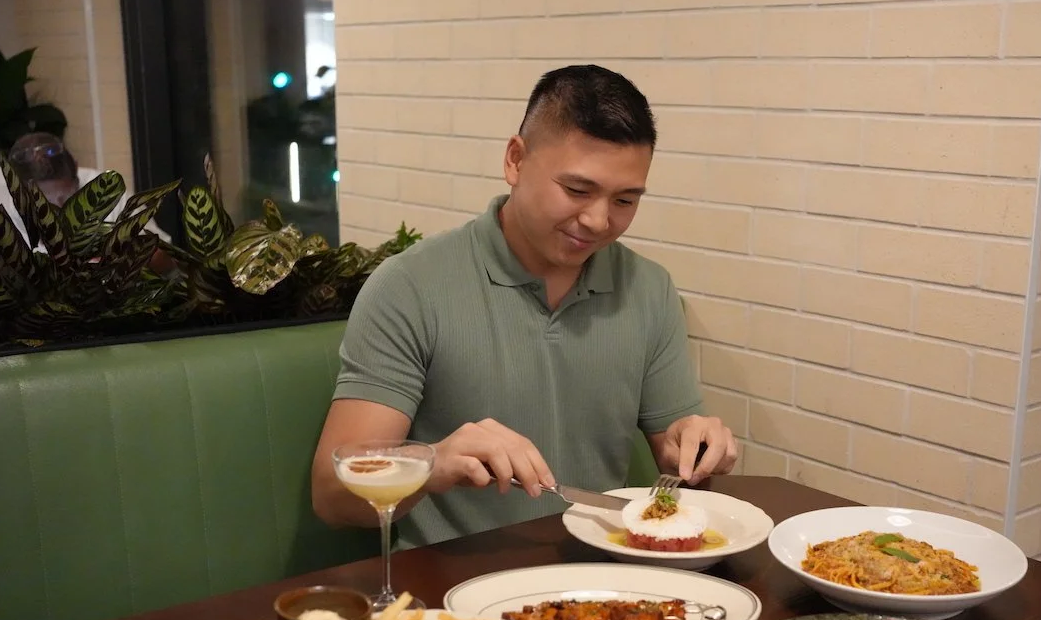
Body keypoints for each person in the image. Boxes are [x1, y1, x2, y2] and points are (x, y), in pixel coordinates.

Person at [311, 64, 738, 546]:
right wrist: (431, 464)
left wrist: (695, 447)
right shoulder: (410, 286)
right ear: (515, 160)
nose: (598, 221)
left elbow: (673, 458)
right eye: (577, 190)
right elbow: (332, 497)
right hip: (453, 580)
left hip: (605, 572)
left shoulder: (648, 289)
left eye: (624, 200)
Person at [0, 132, 175, 271]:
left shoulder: (105, 191)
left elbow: (167, 259)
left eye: (66, 197)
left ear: (76, 168)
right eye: (44, 205)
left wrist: (120, 260)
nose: (59, 209)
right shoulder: (5, 218)